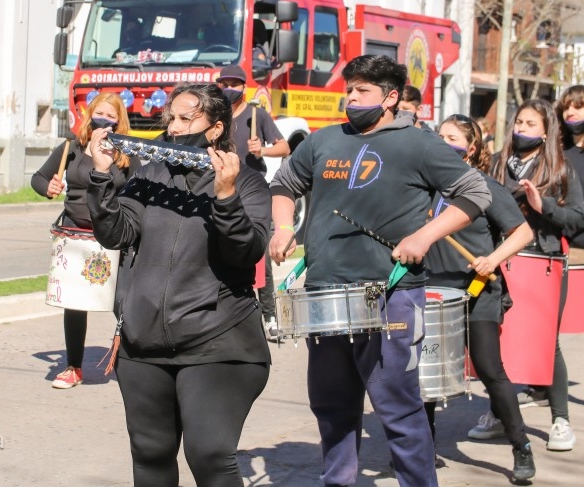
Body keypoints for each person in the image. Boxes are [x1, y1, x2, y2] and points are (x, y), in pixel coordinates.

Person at [268, 54, 491, 487]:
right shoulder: (323, 140)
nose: (350, 98)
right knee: (331, 404)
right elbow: (284, 184)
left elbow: (473, 192)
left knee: (399, 408)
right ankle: (338, 480)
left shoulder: (420, 144)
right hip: (325, 292)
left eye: (361, 91)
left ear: (391, 97)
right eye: (348, 89)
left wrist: (425, 236)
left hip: (393, 296)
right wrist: (281, 229)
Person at [86, 83, 271, 485]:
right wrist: (102, 177)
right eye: (172, 117)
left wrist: (226, 198)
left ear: (216, 128)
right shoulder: (149, 173)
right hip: (144, 341)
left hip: (219, 342)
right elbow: (116, 234)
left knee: (208, 454)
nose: (173, 126)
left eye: (187, 118)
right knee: (150, 454)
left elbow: (248, 251)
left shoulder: (248, 182)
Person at [423, 114, 535, 479]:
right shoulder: (426, 189)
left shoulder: (483, 187)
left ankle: (521, 447)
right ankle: (422, 449)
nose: (444, 142)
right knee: (427, 374)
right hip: (434, 290)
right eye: (440, 136)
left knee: (489, 369)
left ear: (470, 149)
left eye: (452, 138)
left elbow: (522, 233)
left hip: (476, 290)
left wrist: (493, 258)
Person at [488, 98, 584, 452]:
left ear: (546, 132)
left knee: (547, 341)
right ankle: (498, 414)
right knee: (494, 339)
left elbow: (577, 217)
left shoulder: (560, 168)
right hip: (501, 259)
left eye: (531, 125)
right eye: (519, 123)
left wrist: (546, 209)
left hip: (544, 261)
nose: (522, 130)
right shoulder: (498, 163)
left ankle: (560, 420)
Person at [31, 93, 139, 389]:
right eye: (99, 113)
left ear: (120, 121)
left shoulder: (127, 154)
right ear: (90, 114)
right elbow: (38, 179)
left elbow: (140, 194)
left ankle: (131, 361)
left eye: (111, 115)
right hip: (74, 235)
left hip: (112, 237)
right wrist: (48, 187)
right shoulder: (72, 148)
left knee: (121, 301)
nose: (104, 120)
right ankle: (73, 367)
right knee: (74, 304)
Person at [216, 64, 289, 339]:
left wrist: (264, 149)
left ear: (244, 87)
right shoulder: (216, 115)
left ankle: (269, 316)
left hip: (252, 191)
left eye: (234, 84)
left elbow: (285, 147)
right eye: (224, 84)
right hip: (222, 187)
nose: (229, 89)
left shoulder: (256, 114)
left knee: (259, 254)